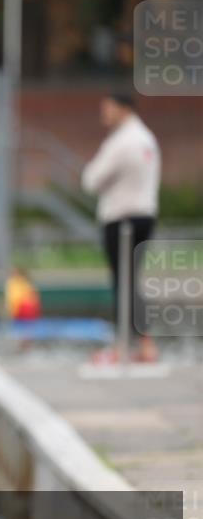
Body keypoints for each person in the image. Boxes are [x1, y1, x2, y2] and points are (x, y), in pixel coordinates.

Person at [81, 92, 161, 363]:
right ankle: (145, 344)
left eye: (108, 107)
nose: (103, 113)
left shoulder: (122, 142)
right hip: (145, 215)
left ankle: (122, 347)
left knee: (123, 281)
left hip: (121, 218)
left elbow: (92, 180)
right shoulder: (147, 138)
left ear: (122, 109)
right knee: (130, 279)